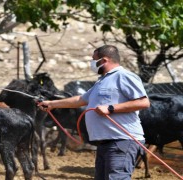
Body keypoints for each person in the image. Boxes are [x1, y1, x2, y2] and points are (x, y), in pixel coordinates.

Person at [38, 45, 150, 180]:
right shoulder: (102, 81)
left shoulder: (124, 76)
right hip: (106, 143)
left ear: (104, 60)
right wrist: (52, 104)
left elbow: (143, 102)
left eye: (93, 59)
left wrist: (110, 108)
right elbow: (80, 99)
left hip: (121, 140)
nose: (92, 63)